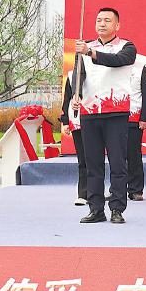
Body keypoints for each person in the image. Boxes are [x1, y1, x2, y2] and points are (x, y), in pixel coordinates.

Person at [73, 7, 137, 224]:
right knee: (93, 164)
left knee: (118, 163)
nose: (102, 23)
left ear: (117, 25)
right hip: (90, 112)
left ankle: (117, 208)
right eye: (99, 20)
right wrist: (75, 95)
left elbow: (117, 60)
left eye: (107, 20)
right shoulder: (84, 48)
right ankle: (96, 209)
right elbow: (78, 76)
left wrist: (90, 53)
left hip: (115, 113)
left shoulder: (127, 47)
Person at [125, 56, 146, 201]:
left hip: (133, 117)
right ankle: (116, 189)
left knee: (133, 154)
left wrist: (145, 117)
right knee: (116, 155)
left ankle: (135, 189)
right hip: (114, 117)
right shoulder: (111, 65)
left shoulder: (141, 68)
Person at [58, 77, 87, 206]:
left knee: (95, 160)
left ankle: (96, 191)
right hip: (77, 122)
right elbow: (67, 100)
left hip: (96, 121)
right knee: (82, 159)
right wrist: (65, 121)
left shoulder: (99, 72)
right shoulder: (72, 76)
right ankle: (83, 194)